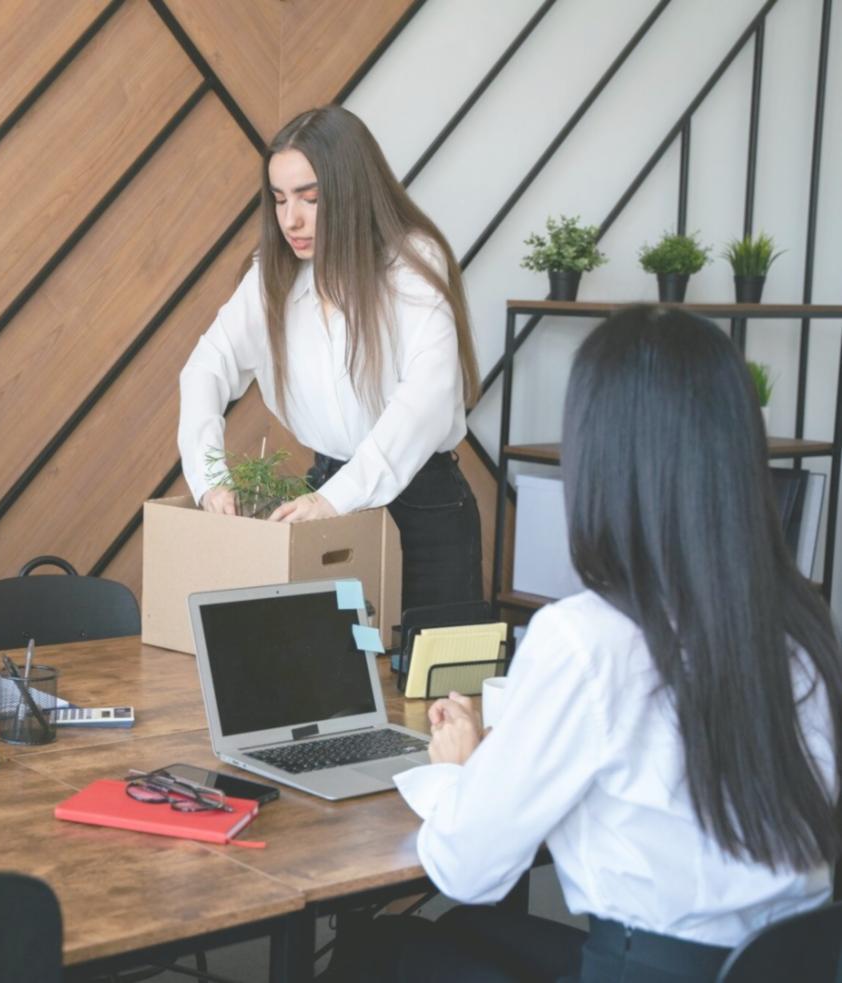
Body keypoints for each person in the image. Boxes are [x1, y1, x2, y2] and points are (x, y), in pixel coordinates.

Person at [359, 307, 842, 981]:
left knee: (385, 949)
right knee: (473, 930)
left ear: (602, 460)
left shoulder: (589, 638)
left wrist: (463, 770)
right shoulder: (800, 623)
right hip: (769, 964)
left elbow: (466, 867)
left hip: (645, 966)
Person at [178, 106, 483, 612]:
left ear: (351, 191)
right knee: (332, 681)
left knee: (434, 687)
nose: (290, 219)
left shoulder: (411, 263)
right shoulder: (273, 275)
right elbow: (206, 368)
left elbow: (425, 400)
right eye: (278, 200)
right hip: (324, 498)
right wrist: (209, 479)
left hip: (423, 509)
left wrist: (336, 499)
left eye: (310, 198)